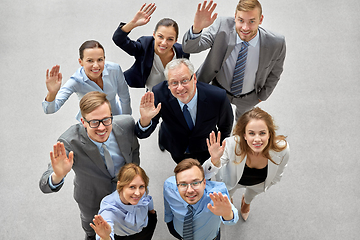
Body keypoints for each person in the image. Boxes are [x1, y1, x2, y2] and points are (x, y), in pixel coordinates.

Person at [39, 91, 140, 240]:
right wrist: (57, 175)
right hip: (92, 198)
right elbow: (44, 185)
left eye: (106, 120)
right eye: (94, 122)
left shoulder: (127, 124)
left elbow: (134, 150)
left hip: (125, 192)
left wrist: (133, 177)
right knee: (91, 229)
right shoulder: (69, 141)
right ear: (83, 121)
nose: (101, 128)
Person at [182, 0, 286, 120]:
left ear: (260, 20)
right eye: (241, 20)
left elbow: (275, 72)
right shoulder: (222, 26)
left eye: (252, 21)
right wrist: (197, 28)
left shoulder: (276, 43)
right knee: (209, 120)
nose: (245, 28)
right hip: (217, 88)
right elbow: (190, 47)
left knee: (242, 128)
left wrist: (261, 96)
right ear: (235, 17)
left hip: (249, 97)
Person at [135, 58, 233, 164]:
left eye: (184, 81)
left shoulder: (217, 97)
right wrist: (145, 119)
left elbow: (225, 127)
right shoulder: (159, 93)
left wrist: (218, 149)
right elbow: (141, 134)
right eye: (174, 83)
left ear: (194, 78)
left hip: (205, 148)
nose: (180, 88)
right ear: (168, 84)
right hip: (175, 145)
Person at [203, 107, 289, 221]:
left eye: (262, 133)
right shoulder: (231, 144)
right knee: (228, 195)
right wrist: (214, 160)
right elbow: (205, 174)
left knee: (251, 195)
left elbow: (279, 172)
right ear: (244, 135)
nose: (257, 139)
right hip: (232, 181)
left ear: (269, 134)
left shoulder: (282, 149)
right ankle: (230, 200)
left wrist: (271, 182)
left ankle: (246, 203)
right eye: (251, 133)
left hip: (258, 183)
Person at [42, 40, 131, 121]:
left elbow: (124, 97)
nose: (96, 65)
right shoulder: (76, 81)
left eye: (100, 60)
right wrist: (52, 93)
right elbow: (50, 110)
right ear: (81, 62)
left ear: (104, 59)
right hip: (90, 127)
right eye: (90, 60)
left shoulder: (114, 69)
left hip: (115, 120)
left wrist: (126, 121)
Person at [112, 3, 190, 91]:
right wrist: (133, 24)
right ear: (154, 35)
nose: (164, 43)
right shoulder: (144, 46)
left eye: (170, 39)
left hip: (176, 98)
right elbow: (118, 39)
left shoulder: (182, 52)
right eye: (160, 37)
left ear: (176, 40)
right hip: (152, 97)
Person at [164, 158, 239, 240]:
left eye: (195, 183)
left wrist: (227, 214)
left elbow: (232, 218)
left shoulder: (216, 194)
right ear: (177, 185)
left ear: (204, 183)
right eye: (183, 184)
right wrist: (169, 224)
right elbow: (168, 208)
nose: (190, 190)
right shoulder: (169, 187)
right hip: (179, 233)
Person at [90, 163, 157, 240]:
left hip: (145, 228)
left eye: (141, 186)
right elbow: (106, 223)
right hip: (124, 237)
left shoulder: (142, 191)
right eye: (132, 187)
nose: (138, 193)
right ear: (120, 185)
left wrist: (152, 212)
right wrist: (105, 237)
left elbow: (147, 198)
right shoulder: (109, 207)